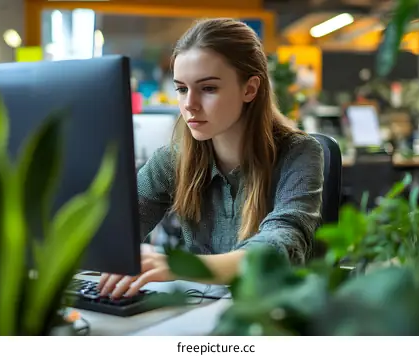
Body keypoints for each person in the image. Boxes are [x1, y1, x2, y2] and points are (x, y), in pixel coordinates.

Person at [98, 18, 324, 298]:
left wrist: (186, 266)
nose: (189, 104)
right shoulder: (174, 159)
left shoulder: (300, 153)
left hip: (268, 317)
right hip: (196, 313)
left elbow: (282, 245)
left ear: (249, 89)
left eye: (208, 88)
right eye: (181, 88)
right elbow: (118, 228)